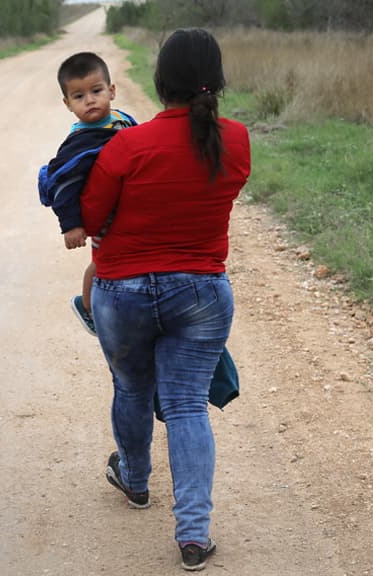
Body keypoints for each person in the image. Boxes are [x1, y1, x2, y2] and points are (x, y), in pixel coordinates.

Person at [80, 29, 251, 571]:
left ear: (159, 82)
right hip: (202, 291)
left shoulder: (125, 145)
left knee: (131, 387)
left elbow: (88, 218)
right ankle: (194, 535)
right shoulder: (237, 140)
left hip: (123, 292)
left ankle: (134, 480)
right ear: (217, 81)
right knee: (184, 405)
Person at [38, 51, 135, 336]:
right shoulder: (80, 142)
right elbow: (65, 187)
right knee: (101, 262)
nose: (89, 100)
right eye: (79, 97)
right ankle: (87, 306)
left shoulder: (121, 119)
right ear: (67, 104)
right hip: (103, 217)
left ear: (112, 90)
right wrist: (71, 225)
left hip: (126, 209)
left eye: (96, 91)